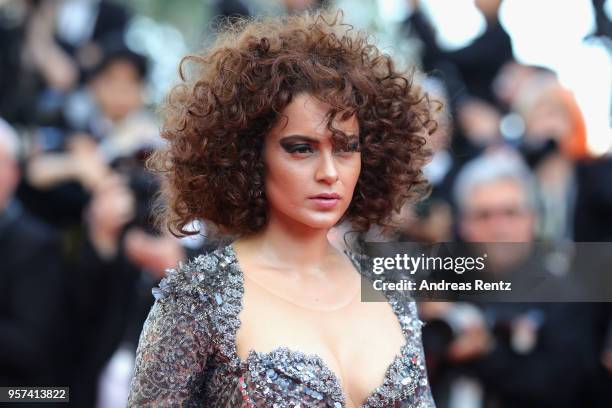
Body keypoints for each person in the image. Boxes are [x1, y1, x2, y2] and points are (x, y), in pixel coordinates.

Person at [128, 11, 437, 407]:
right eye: (301, 148)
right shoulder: (198, 297)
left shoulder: (390, 290)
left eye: (346, 148)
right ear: (249, 155)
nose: (329, 173)